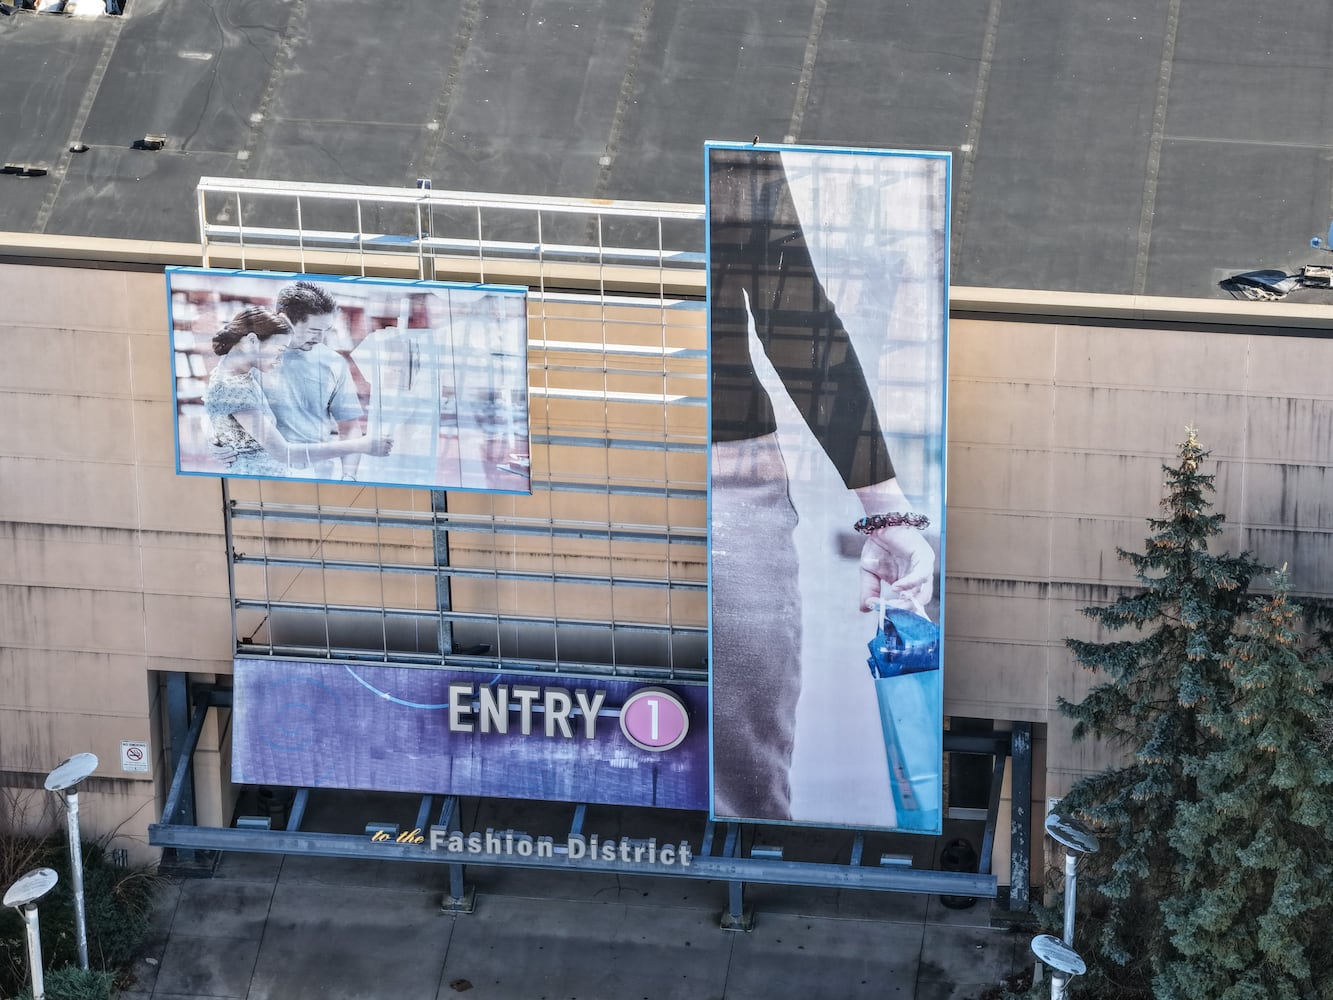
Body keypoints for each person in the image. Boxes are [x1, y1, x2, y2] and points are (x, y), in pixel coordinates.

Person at [708, 146, 938, 823]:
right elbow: (794, 314)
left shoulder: (727, 156)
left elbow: (793, 311)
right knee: (734, 778)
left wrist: (885, 510)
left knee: (742, 775)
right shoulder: (726, 156)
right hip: (706, 470)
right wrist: (885, 512)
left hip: (707, 468)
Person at [205, 307, 391, 478]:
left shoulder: (232, 370)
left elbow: (219, 410)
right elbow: (283, 452)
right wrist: (362, 445)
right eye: (279, 350)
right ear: (252, 340)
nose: (280, 358)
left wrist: (219, 435)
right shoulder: (234, 386)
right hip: (262, 481)